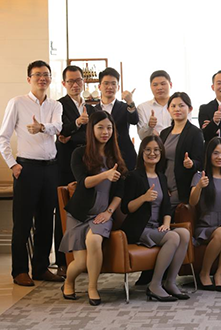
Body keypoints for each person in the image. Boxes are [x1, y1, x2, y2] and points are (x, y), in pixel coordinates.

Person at [0, 60, 64, 286]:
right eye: (37, 74)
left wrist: (42, 127)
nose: (42, 78)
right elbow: (3, 137)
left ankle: (40, 268)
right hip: (26, 168)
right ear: (29, 79)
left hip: (51, 168)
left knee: (46, 221)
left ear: (50, 79)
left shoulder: (56, 105)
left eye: (46, 74)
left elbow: (58, 127)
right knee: (23, 221)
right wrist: (12, 164)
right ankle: (19, 271)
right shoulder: (17, 103)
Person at [59, 111, 126, 305]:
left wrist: (109, 212)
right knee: (80, 262)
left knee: (94, 240)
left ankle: (92, 287)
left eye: (109, 128)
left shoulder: (115, 157)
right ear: (91, 130)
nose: (105, 132)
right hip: (79, 214)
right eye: (101, 127)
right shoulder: (79, 153)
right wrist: (105, 175)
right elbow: (83, 182)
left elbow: (119, 193)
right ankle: (69, 282)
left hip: (102, 214)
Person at [121, 135, 191, 302]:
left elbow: (166, 206)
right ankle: (154, 284)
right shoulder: (133, 176)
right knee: (173, 237)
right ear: (142, 152)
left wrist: (166, 224)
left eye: (156, 150)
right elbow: (126, 208)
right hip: (139, 228)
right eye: (148, 150)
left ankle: (170, 282)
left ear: (161, 153)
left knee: (184, 233)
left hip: (156, 227)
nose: (152, 153)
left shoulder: (161, 176)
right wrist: (143, 198)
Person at [55, 65, 93, 277]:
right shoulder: (58, 105)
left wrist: (72, 133)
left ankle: (84, 259)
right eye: (70, 81)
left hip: (87, 164)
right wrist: (77, 124)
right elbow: (60, 132)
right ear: (64, 83)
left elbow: (91, 136)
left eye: (78, 80)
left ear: (83, 82)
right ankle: (62, 261)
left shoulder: (90, 107)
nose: (75, 84)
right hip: (66, 164)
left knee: (85, 210)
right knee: (63, 210)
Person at [189, 137, 221, 291]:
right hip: (207, 226)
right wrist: (199, 186)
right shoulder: (200, 176)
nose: (220, 157)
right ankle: (204, 273)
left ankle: (219, 274)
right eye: (216, 153)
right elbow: (192, 202)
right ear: (209, 154)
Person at [159, 92, 204, 207]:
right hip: (163, 186)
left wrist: (191, 163)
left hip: (181, 188)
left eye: (181, 105)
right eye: (173, 106)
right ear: (168, 109)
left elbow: (200, 162)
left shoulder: (195, 133)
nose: (177, 109)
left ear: (190, 109)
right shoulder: (164, 133)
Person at [91, 67, 138, 170]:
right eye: (106, 83)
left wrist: (130, 102)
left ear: (118, 87)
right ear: (99, 86)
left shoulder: (125, 107)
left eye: (113, 84)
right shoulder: (93, 110)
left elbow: (134, 120)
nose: (110, 87)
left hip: (124, 155)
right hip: (100, 157)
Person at [137, 70, 173, 140]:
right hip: (153, 145)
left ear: (170, 85)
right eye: (155, 85)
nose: (159, 88)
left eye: (163, 84)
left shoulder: (179, 106)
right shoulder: (142, 108)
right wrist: (149, 126)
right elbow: (142, 137)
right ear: (150, 87)